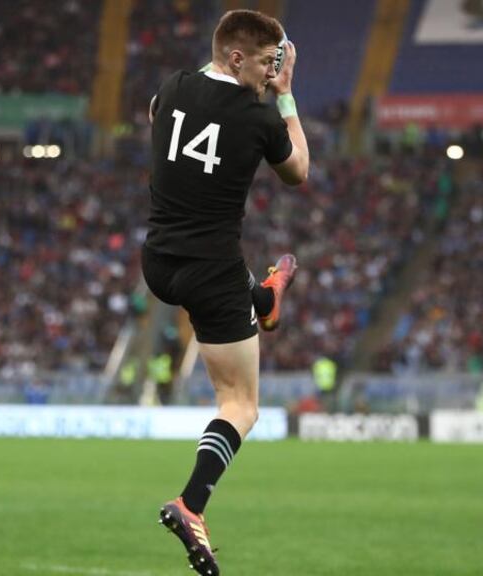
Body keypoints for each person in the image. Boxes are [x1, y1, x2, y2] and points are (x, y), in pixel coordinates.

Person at [143, 10, 308, 575]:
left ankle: (264, 300)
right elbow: (298, 171)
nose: (271, 73)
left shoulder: (172, 87)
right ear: (237, 58)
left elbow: (157, 115)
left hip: (158, 260)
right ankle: (191, 504)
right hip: (211, 273)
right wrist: (286, 98)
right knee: (241, 406)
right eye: (266, 63)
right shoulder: (259, 116)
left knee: (237, 278)